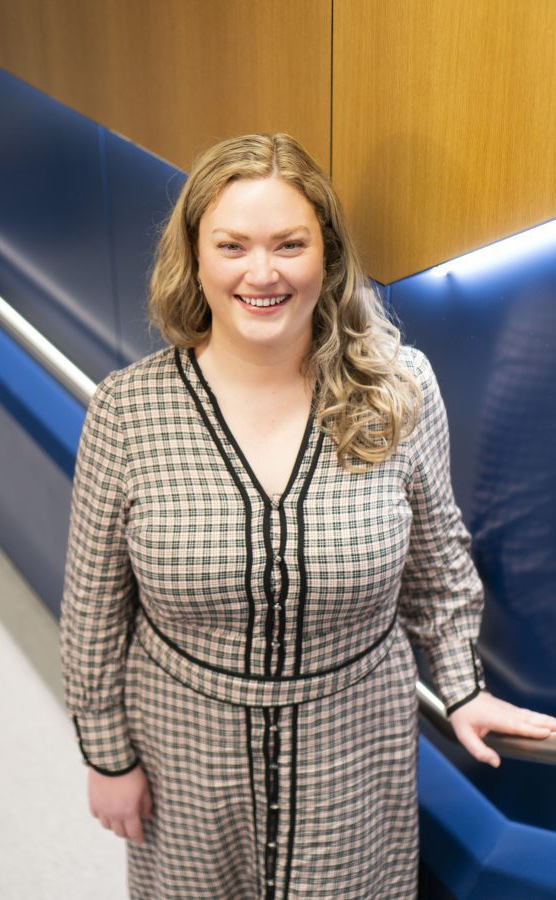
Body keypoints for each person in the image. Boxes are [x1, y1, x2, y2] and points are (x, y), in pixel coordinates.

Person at [60, 133, 556, 899]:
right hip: (184, 746)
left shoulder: (398, 390)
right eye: (233, 246)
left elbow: (438, 562)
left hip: (354, 745)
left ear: (325, 256)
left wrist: (460, 684)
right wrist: (107, 756)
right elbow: (93, 607)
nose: (263, 273)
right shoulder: (129, 410)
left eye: (289, 244)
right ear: (196, 257)